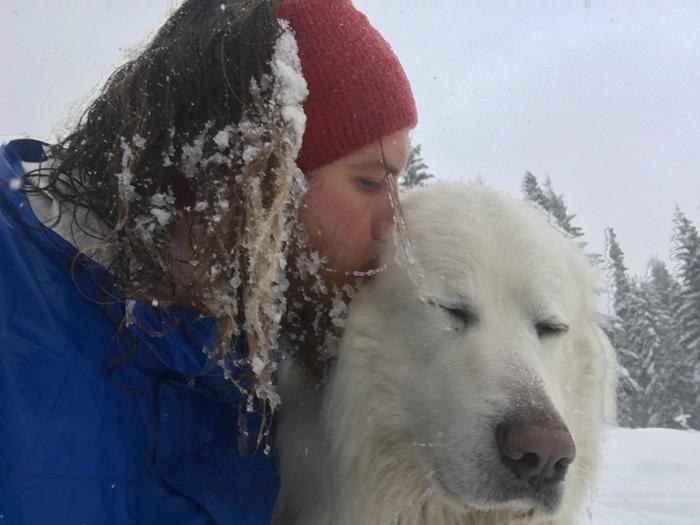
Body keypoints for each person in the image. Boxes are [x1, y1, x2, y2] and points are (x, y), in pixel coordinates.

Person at [0, 0, 416, 523]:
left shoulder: (261, 375)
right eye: (371, 182)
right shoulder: (16, 293)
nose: (391, 228)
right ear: (251, 168)